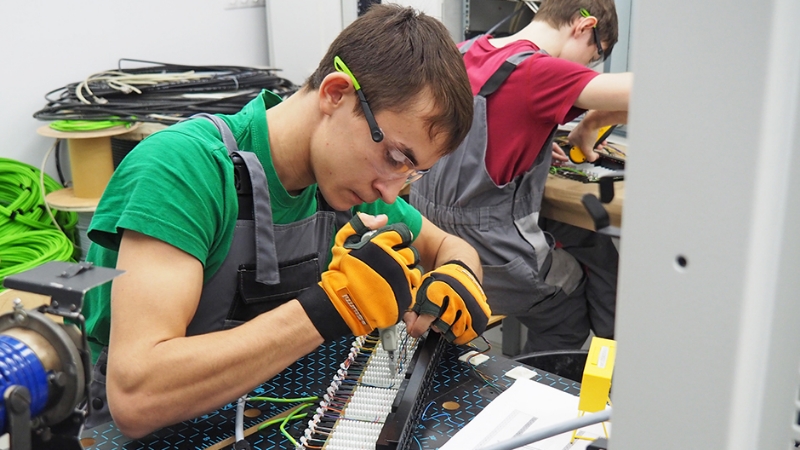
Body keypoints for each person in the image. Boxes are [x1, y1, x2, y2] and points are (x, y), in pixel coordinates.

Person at [81, 4, 491, 438]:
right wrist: (332, 308)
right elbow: (137, 396)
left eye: (411, 174)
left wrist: (458, 274)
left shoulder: (343, 182)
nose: (390, 193)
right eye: (393, 158)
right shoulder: (183, 169)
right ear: (336, 93)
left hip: (274, 415)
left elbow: (448, 245)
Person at [411, 0, 631, 353]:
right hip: (489, 253)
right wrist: (591, 124)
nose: (586, 67)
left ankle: (615, 348)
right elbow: (652, 92)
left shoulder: (462, 52)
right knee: (568, 314)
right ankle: (584, 365)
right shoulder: (540, 72)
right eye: (594, 57)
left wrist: (531, 141)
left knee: (592, 239)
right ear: (584, 26)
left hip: (427, 238)